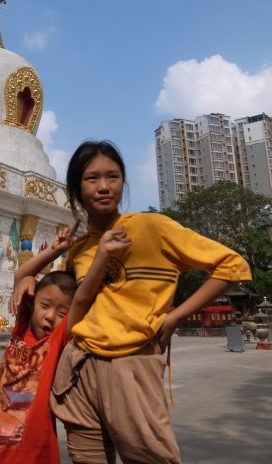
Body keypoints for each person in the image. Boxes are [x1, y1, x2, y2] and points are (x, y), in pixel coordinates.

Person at [13, 140, 252, 464]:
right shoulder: (79, 250)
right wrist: (30, 276)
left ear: (123, 183)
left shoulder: (153, 227)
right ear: (75, 190)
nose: (103, 186)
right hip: (76, 370)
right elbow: (65, 301)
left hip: (131, 366)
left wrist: (174, 317)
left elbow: (232, 266)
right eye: (91, 178)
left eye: (112, 177)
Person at [0, 221, 131, 464]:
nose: (51, 316)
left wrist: (102, 254)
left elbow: (82, 298)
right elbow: (20, 275)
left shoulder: (57, 339)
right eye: (45, 306)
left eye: (62, 313)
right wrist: (55, 250)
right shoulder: (21, 329)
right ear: (32, 305)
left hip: (32, 456)